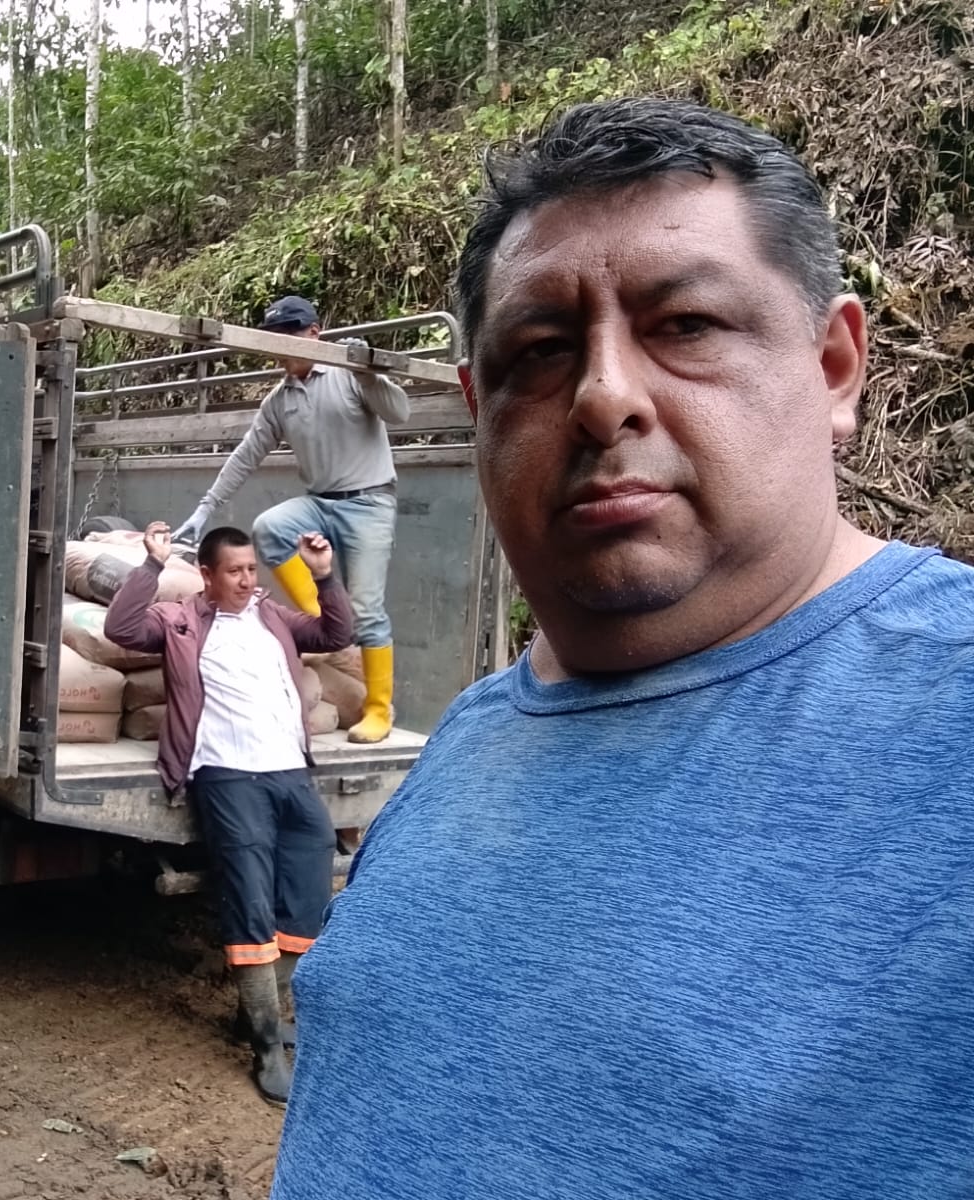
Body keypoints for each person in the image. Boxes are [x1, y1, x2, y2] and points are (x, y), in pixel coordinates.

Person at [272, 97, 974, 1198]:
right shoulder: (469, 740)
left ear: (835, 366)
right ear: (480, 412)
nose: (603, 397)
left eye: (685, 325)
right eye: (539, 353)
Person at [104, 521, 353, 1106]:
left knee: (309, 892)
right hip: (227, 776)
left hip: (290, 773)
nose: (246, 580)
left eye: (252, 570)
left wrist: (324, 577)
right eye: (234, 571)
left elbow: (335, 632)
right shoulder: (180, 621)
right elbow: (120, 628)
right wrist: (151, 565)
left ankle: (254, 1012)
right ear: (208, 575)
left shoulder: (272, 616)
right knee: (250, 905)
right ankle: (265, 1047)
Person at [170, 296, 411, 744]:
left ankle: (378, 710)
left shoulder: (347, 374)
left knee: (366, 609)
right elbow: (246, 456)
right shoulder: (280, 401)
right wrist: (205, 507)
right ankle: (321, 617)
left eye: (289, 337)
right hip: (319, 502)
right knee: (270, 527)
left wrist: (367, 372)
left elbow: (399, 411)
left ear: (314, 333)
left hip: (368, 502)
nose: (281, 348)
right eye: (274, 341)